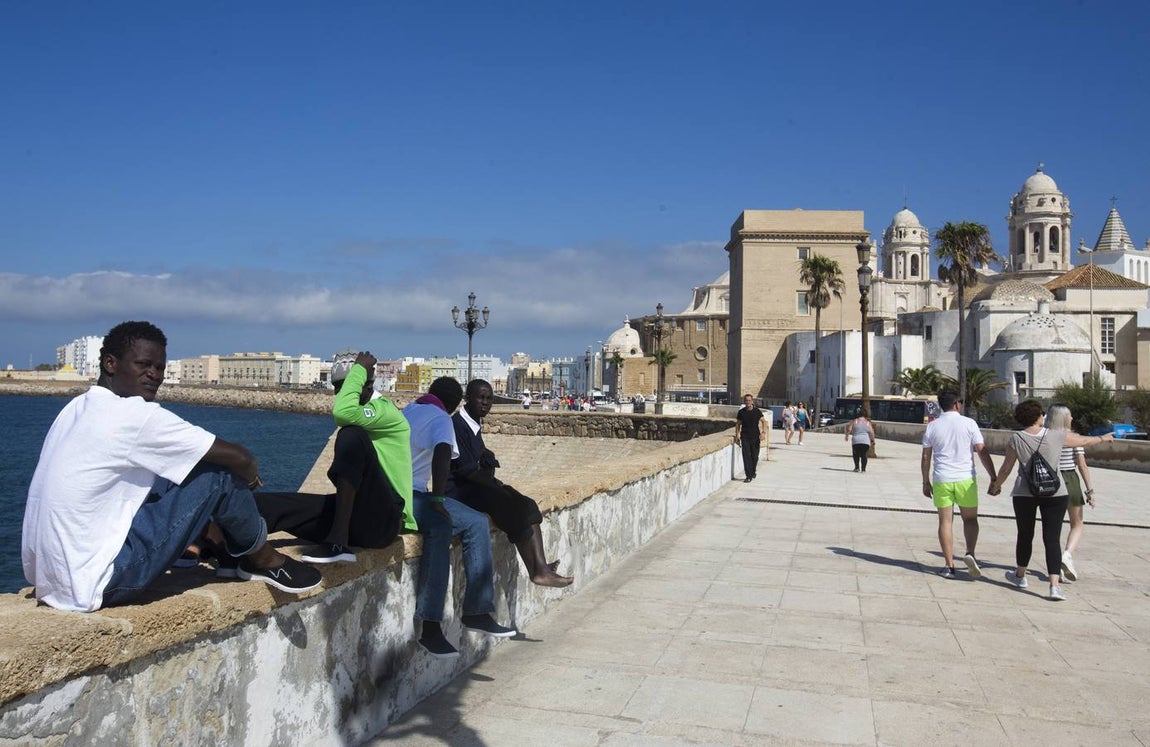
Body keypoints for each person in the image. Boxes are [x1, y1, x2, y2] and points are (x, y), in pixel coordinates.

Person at [21, 321, 322, 612]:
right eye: (144, 365)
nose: (155, 375)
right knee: (218, 474)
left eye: (160, 367)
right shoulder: (135, 415)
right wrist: (251, 478)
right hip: (97, 582)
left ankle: (221, 550)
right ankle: (263, 559)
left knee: (172, 470)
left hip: (52, 580)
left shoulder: (75, 408)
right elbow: (241, 459)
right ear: (110, 363)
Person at [254, 350, 411, 566]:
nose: (341, 394)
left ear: (366, 385)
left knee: (351, 434)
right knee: (267, 505)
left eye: (347, 388)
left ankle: (337, 542)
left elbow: (343, 413)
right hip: (356, 516)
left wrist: (359, 370)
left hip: (384, 520)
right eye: (338, 389)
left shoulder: (386, 412)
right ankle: (224, 548)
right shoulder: (365, 412)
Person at [404, 376, 516, 657]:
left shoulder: (408, 409)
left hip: (401, 493)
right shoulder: (442, 419)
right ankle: (431, 626)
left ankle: (477, 612)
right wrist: (439, 498)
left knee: (476, 521)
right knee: (441, 528)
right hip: (410, 497)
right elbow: (443, 454)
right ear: (455, 403)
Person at [448, 379, 573, 588]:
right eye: (481, 398)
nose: (485, 403)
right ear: (467, 399)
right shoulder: (458, 425)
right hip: (462, 491)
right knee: (511, 507)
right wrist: (493, 482)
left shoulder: (474, 421)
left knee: (528, 504)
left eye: (489, 399)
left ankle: (540, 567)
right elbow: (465, 469)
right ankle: (538, 571)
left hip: (479, 485)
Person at [988, 400, 1113, 601]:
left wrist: (996, 485)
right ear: (1038, 417)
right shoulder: (1056, 436)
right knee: (1052, 538)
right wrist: (1102, 438)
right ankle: (1054, 586)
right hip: (1055, 492)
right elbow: (1082, 442)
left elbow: (1006, 468)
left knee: (1025, 534)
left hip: (1024, 493)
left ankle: (1020, 575)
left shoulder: (1016, 438)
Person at [920, 389, 998, 579]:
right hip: (966, 480)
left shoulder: (932, 426)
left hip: (942, 479)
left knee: (945, 521)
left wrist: (925, 481)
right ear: (957, 404)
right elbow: (981, 450)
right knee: (970, 520)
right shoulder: (969, 423)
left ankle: (949, 566)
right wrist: (993, 476)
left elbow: (925, 456)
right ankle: (970, 553)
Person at [1046, 404, 1096, 582]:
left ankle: (1056, 562)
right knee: (1077, 523)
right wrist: (1090, 490)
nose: (1072, 418)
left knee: (1054, 527)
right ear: (1064, 418)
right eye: (1070, 416)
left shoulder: (1045, 436)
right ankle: (1067, 555)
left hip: (1050, 481)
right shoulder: (1074, 438)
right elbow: (1082, 465)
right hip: (1070, 479)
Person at [733, 394, 766, 482]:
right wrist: (737, 434)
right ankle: (748, 476)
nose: (747, 402)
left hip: (755, 437)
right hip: (745, 437)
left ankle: (753, 471)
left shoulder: (757, 411)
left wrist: (763, 432)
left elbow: (764, 422)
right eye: (746, 400)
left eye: (749, 400)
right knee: (746, 456)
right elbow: (738, 424)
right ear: (744, 402)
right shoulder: (741, 412)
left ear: (752, 401)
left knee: (755, 456)